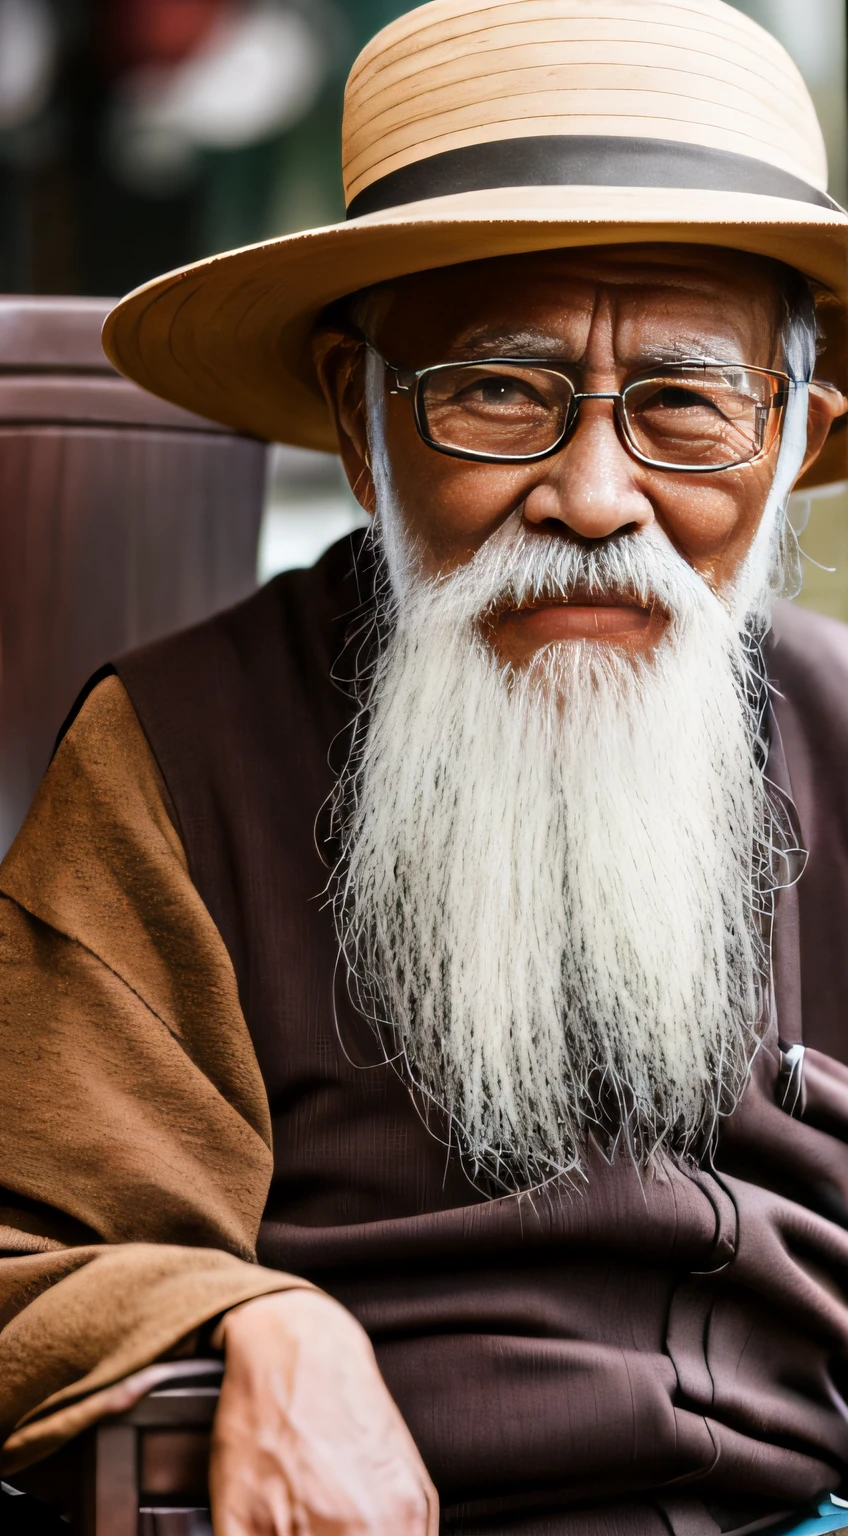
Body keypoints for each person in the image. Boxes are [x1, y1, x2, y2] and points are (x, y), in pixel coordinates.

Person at [4, 1, 848, 1533]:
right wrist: (249, 1323)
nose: (595, 497)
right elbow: (37, 1242)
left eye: (685, 405)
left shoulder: (846, 730)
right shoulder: (186, 751)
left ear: (792, 433)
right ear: (358, 412)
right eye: (498, 390)